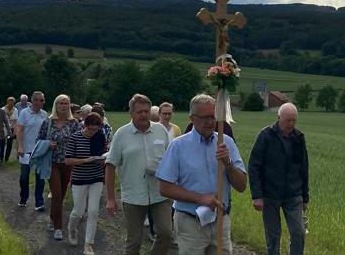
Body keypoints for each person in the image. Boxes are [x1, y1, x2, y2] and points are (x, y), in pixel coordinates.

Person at [156, 94, 247, 255]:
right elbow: (164, 188)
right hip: (190, 223)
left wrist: (228, 164)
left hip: (220, 220)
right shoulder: (178, 146)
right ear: (192, 118)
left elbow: (241, 186)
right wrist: (200, 198)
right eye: (205, 117)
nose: (211, 122)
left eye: (213, 117)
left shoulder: (226, 143)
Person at [105, 94, 172, 255]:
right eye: (139, 112)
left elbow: (171, 159)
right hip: (133, 196)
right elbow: (110, 165)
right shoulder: (122, 134)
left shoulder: (160, 130)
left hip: (159, 193)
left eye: (146, 111)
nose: (143, 115)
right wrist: (111, 198)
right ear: (131, 113)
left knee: (166, 233)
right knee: (134, 241)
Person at [248, 102, 309, 255]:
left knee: (299, 232)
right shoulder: (266, 136)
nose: (291, 124)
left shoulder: (299, 138)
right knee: (273, 235)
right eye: (288, 120)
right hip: (270, 194)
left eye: (294, 120)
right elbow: (254, 166)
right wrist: (257, 196)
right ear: (279, 118)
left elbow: (303, 167)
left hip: (293, 194)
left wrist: (305, 197)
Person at [37, 94, 81, 241]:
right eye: (61, 103)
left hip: (67, 163)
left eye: (66, 103)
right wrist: (48, 144)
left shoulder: (74, 123)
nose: (63, 106)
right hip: (52, 163)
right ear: (55, 105)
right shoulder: (48, 122)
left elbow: (79, 141)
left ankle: (52, 218)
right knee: (56, 194)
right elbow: (38, 140)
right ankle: (58, 228)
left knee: (61, 196)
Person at [66, 112, 108, 255]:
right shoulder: (75, 138)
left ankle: (89, 244)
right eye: (91, 129)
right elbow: (68, 160)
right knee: (78, 211)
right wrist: (85, 160)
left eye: (96, 129)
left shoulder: (100, 136)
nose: (93, 132)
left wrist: (103, 159)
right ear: (85, 125)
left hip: (96, 177)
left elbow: (104, 153)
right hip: (79, 179)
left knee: (93, 211)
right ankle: (72, 229)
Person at [16, 91, 48, 211]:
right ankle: (23, 198)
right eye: (37, 100)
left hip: (40, 150)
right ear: (32, 100)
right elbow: (19, 130)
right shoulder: (24, 113)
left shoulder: (44, 114)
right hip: (26, 150)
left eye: (42, 100)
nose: (39, 102)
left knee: (40, 177)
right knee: (24, 177)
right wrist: (20, 146)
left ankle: (39, 202)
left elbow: (46, 132)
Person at [2, 96, 19, 163]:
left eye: (12, 103)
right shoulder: (3, 109)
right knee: (2, 143)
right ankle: (1, 156)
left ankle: (6, 158)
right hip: (4, 128)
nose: (11, 104)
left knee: (9, 144)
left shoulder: (15, 110)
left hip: (11, 129)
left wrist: (14, 130)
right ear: (7, 102)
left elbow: (16, 120)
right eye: (10, 103)